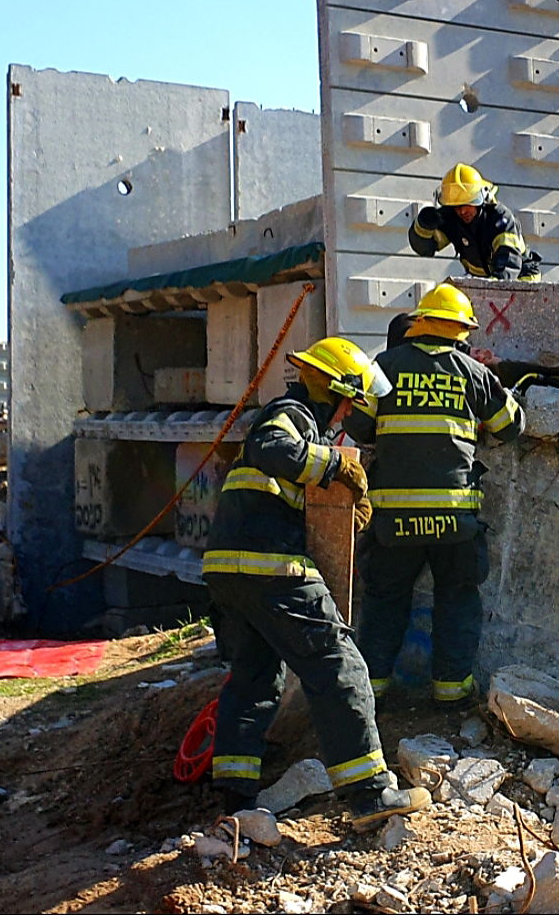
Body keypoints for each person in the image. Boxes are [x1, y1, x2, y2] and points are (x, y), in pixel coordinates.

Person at [202, 336, 431, 830]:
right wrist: (335, 465)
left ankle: (236, 804)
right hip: (270, 565)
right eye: (351, 401)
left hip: (227, 568)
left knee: (255, 679)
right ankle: (370, 795)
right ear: (336, 390)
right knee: (338, 664)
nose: (351, 412)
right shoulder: (292, 413)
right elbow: (272, 448)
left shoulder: (298, 419)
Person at [343, 285, 525, 708]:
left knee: (385, 600)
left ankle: (371, 691)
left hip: (393, 520)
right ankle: (451, 690)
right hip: (454, 518)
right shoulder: (472, 372)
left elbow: (358, 427)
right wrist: (502, 382)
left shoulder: (383, 367)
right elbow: (510, 427)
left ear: (420, 322)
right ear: (462, 331)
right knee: (457, 597)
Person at [408, 163, 542, 281]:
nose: (462, 211)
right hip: (484, 282)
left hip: (521, 279)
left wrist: (492, 288)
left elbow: (508, 262)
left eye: (467, 204)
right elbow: (425, 248)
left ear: (480, 199)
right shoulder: (452, 217)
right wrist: (423, 226)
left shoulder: (501, 219)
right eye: (456, 206)